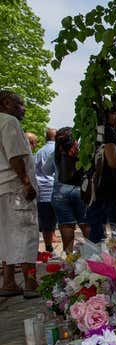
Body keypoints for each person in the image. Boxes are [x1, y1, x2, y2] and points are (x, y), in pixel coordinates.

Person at [0, 90, 39, 298]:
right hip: (15, 188)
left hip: (2, 189)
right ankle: (30, 282)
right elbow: (15, 157)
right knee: (26, 234)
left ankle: (8, 282)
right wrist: (27, 184)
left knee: (6, 237)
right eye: (20, 104)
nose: (23, 109)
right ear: (6, 103)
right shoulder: (8, 122)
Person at [85, 108, 116, 243]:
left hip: (95, 188)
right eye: (114, 113)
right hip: (111, 187)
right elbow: (113, 162)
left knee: (97, 228)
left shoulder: (90, 133)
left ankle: (95, 259)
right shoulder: (107, 132)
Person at [45, 127, 89, 253]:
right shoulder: (81, 152)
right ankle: (94, 255)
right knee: (85, 224)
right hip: (80, 191)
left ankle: (69, 259)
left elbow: (46, 170)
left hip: (60, 192)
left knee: (66, 225)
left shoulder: (55, 154)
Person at [34, 128, 58, 252]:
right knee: (64, 222)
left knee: (46, 221)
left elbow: (33, 170)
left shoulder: (39, 152)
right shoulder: (59, 150)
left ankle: (48, 247)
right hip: (57, 190)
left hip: (43, 191)